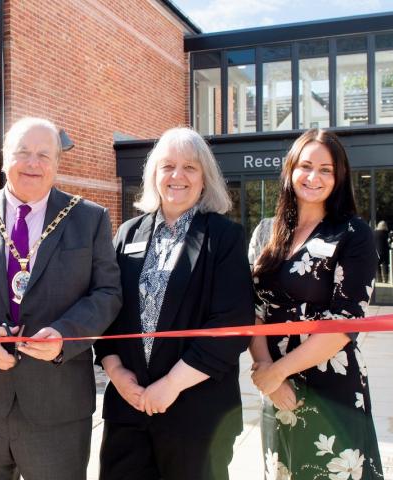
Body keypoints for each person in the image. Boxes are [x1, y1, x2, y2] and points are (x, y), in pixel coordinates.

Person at [0, 117, 122, 480]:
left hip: (57, 406)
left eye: (43, 155)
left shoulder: (89, 218)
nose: (33, 163)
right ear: (5, 158)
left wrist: (66, 335)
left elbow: (108, 293)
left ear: (57, 163)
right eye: (23, 153)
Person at [94, 127, 254, 480]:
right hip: (128, 410)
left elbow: (232, 324)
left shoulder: (223, 237)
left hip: (196, 414)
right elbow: (108, 312)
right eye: (167, 166)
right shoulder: (128, 233)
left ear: (204, 178)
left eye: (190, 167)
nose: (177, 176)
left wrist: (170, 386)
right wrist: (118, 376)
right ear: (154, 174)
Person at [249, 129, 383, 479]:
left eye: (326, 169)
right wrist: (267, 372)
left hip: (331, 381)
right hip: (275, 387)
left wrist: (278, 372)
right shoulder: (266, 232)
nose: (313, 177)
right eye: (306, 166)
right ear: (290, 170)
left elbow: (344, 320)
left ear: (339, 177)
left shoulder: (354, 234)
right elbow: (254, 309)